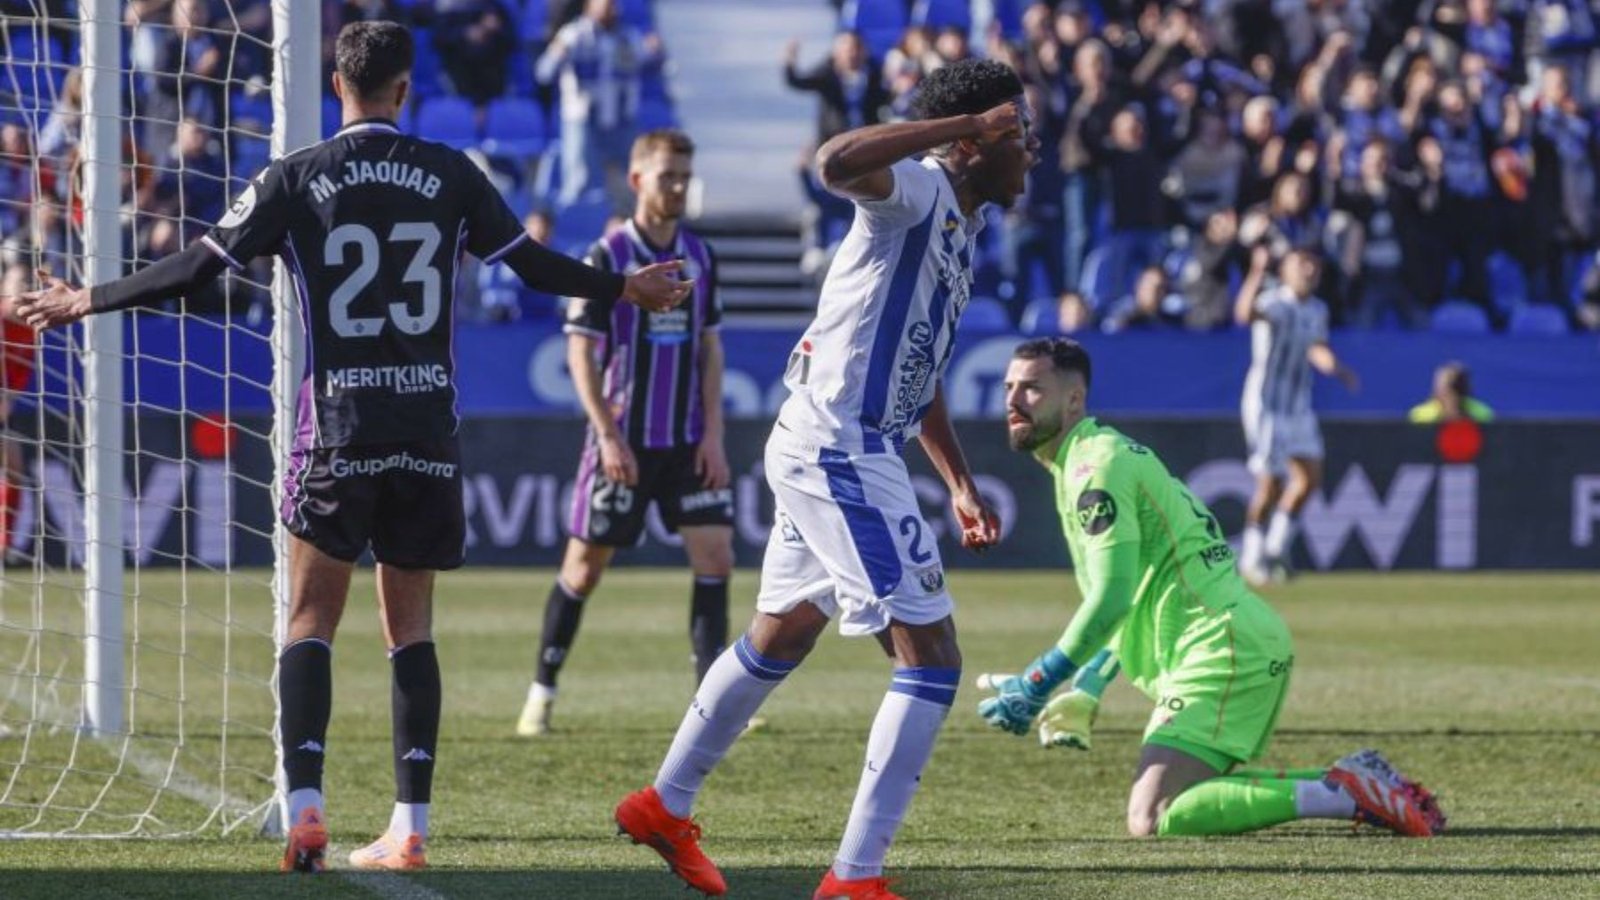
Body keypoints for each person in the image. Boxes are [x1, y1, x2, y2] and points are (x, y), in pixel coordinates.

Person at [7, 20, 689, 874]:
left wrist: (88, 300)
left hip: (338, 430)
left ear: (338, 86)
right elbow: (536, 268)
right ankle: (410, 828)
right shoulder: (450, 173)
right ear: (406, 89)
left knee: (308, 622)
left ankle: (307, 811)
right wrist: (625, 286)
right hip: (426, 433)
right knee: (411, 632)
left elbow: (194, 269)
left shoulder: (297, 177)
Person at [613, 58, 1029, 900]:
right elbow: (834, 161)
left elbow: (923, 370)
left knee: (784, 630)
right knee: (931, 655)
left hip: (842, 441)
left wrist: (955, 479)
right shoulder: (915, 189)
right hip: (839, 446)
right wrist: (960, 126)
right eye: (1022, 134)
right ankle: (854, 878)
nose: (1037, 152)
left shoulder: (963, 229)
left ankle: (663, 803)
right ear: (982, 140)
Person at [979, 336, 1445, 839]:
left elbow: (1112, 597)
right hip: (1228, 640)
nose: (1012, 400)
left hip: (1220, 647)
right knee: (1195, 792)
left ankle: (1342, 794)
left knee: (1153, 815)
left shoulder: (1096, 469)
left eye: (1032, 389)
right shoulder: (1087, 458)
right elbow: (1133, 594)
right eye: (1009, 387)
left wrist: (1038, 681)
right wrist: (1088, 685)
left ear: (1073, 399)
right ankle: (1354, 780)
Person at [516, 129, 733, 737]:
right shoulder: (607, 257)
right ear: (638, 180)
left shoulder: (702, 256)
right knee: (584, 568)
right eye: (668, 176)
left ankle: (710, 705)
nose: (680, 187)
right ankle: (542, 692)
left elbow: (710, 348)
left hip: (687, 440)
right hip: (625, 442)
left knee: (715, 556)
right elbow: (581, 354)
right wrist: (607, 435)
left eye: (686, 176)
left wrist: (714, 435)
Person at [1233, 249, 1358, 586]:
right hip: (1267, 404)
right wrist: (1256, 272)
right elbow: (1244, 315)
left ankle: (1275, 550)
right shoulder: (1275, 302)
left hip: (1298, 406)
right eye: (1302, 264)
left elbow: (1315, 346)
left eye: (1314, 265)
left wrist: (1335, 366)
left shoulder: (1318, 309)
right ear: (1286, 270)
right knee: (1271, 483)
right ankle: (1252, 558)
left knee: (1309, 478)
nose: (1310, 270)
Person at [1409, 361, 1495, 423]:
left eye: (1457, 388)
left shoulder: (1482, 415)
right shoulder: (1421, 417)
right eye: (1445, 388)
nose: (1451, 397)